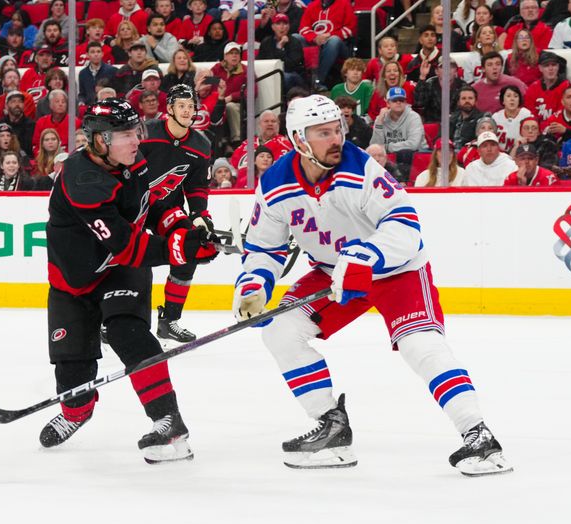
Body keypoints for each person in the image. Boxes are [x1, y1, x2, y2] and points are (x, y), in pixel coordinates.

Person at [232, 94, 512, 474]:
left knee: (421, 347)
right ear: (299, 140)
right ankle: (332, 427)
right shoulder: (275, 184)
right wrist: (253, 284)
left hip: (397, 270)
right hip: (335, 276)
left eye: (338, 130)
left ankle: (479, 437)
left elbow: (405, 228)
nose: (336, 139)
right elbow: (265, 247)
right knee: (281, 331)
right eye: (323, 133)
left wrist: (366, 257)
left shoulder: (361, 169)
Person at [40, 97, 218, 462]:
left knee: (129, 332)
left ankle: (168, 422)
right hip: (74, 279)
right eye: (125, 134)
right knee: (72, 363)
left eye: (135, 130)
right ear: (100, 140)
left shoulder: (134, 161)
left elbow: (154, 206)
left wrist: (185, 229)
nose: (137, 139)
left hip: (121, 271)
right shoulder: (81, 177)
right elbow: (125, 244)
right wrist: (177, 249)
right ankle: (76, 410)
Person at [139, 85, 213, 343]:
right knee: (130, 261)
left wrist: (199, 214)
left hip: (164, 208)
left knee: (189, 247)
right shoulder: (146, 132)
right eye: (181, 105)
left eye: (191, 106)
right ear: (169, 108)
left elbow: (196, 186)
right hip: (132, 205)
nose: (187, 110)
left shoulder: (201, 144)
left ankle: (169, 320)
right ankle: (112, 319)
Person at [297, 0, 356, 90]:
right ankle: (299, 79)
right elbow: (303, 28)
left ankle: (319, 80)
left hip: (340, 46)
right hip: (315, 42)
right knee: (296, 37)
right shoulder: (312, 5)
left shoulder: (344, 4)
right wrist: (315, 37)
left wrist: (329, 35)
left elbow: (350, 29)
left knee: (334, 41)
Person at [369, 86, 424, 181]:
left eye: (401, 100)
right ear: (388, 103)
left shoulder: (414, 117)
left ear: (406, 103)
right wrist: (379, 122)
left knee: (405, 153)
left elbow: (413, 145)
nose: (398, 102)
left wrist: (386, 147)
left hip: (415, 157)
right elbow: (375, 146)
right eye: (395, 100)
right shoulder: (381, 118)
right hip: (390, 161)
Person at [524, 51, 569, 121]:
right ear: (540, 68)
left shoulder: (567, 87)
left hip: (558, 127)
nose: (551, 69)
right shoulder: (532, 88)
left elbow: (563, 115)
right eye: (546, 65)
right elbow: (529, 114)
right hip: (536, 128)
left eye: (553, 65)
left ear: (558, 67)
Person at [493, 85, 533, 152]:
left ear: (519, 100)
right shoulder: (496, 117)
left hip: (520, 154)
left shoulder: (526, 115)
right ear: (503, 101)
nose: (512, 99)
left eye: (515, 96)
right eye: (508, 96)